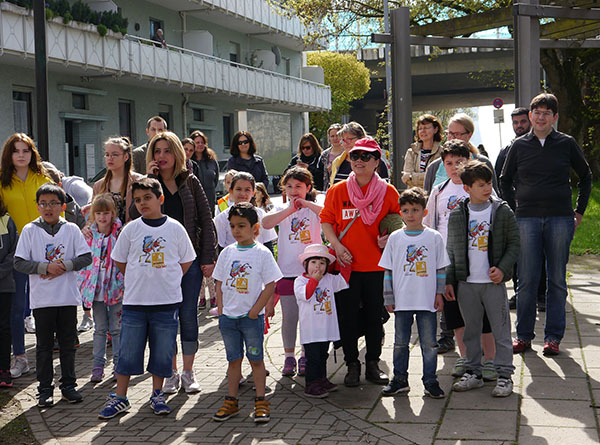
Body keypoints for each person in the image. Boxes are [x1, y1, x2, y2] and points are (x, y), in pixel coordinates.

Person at [500, 93, 592, 356]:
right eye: (536, 113)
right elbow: (504, 180)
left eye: (546, 113)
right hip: (526, 219)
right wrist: (510, 207)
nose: (541, 117)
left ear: (554, 117)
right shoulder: (519, 146)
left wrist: (580, 212)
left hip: (560, 219)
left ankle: (553, 337)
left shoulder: (566, 143)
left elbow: (586, 177)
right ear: (530, 117)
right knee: (527, 280)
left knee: (557, 280)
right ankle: (524, 336)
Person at [98, 178, 196, 419]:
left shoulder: (175, 228)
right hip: (134, 303)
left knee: (162, 352)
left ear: (160, 199)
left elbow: (186, 260)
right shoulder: (131, 229)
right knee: (128, 352)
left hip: (166, 303)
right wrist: (139, 277)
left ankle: (157, 393)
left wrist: (167, 278)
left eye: (148, 198)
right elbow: (120, 260)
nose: (142, 203)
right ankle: (120, 397)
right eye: (138, 200)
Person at [138, 131, 217, 395]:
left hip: (189, 260)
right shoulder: (148, 183)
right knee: (165, 319)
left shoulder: (190, 181)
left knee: (188, 316)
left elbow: (206, 221)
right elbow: (133, 215)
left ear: (177, 153)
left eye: (167, 151)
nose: (162, 156)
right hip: (159, 263)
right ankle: (169, 373)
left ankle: (188, 372)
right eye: (157, 151)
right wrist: (148, 180)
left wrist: (208, 258)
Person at [320, 137, 400, 387]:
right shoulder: (338, 190)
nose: (358, 161)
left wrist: (390, 239)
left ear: (377, 162)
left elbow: (399, 222)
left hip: (377, 267)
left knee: (375, 318)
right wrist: (337, 245)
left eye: (366, 156)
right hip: (346, 268)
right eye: (354, 156)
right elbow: (326, 222)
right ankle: (352, 364)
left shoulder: (388, 192)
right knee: (347, 318)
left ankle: (373, 364)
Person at [424, 140, 497, 380]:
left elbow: (496, 216)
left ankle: (489, 359)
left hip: (478, 261)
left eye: (459, 162)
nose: (454, 167)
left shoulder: (480, 188)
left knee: (482, 313)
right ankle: (466, 358)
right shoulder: (439, 191)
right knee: (455, 313)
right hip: (449, 262)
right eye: (448, 163)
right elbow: (430, 225)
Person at [14, 183, 92, 407]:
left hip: (67, 298)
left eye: (54, 203)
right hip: (42, 300)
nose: (48, 208)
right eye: (43, 204)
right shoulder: (30, 230)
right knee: (44, 347)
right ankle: (44, 389)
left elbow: (85, 257)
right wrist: (44, 268)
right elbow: (19, 262)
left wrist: (65, 265)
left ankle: (68, 385)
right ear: (38, 207)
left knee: (68, 345)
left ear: (63, 206)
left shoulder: (71, 230)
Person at [447, 161, 519, 397]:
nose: (487, 188)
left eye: (489, 183)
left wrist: (503, 269)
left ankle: (505, 375)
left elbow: (514, 245)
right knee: (471, 331)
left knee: (501, 331)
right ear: (467, 188)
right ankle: (474, 373)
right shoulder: (458, 214)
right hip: (466, 284)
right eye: (481, 185)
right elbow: (450, 250)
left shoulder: (502, 211)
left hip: (493, 285)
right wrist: (448, 280)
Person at [212, 202, 282, 423]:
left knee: (256, 359)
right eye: (232, 226)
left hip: (251, 320)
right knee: (234, 360)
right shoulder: (227, 253)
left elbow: (270, 285)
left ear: (255, 228)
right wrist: (222, 311)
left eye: (241, 225)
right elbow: (219, 282)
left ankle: (261, 401)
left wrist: (255, 311)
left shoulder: (261, 253)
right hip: (229, 320)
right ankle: (231, 401)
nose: (236, 231)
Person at [379, 187, 448, 399]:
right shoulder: (395, 238)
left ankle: (430, 380)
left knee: (429, 344)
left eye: (415, 210)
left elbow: (440, 268)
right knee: (400, 343)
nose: (411, 214)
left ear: (424, 212)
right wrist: (388, 297)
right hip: (402, 302)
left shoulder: (434, 237)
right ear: (400, 212)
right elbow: (388, 270)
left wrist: (439, 293)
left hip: (427, 301)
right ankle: (399, 379)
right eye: (406, 210)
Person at [0, 133, 52, 379]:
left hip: (45, 250)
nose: (21, 155)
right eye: (16, 150)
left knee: (46, 305)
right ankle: (20, 357)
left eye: (26, 150)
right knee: (17, 308)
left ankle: (47, 355)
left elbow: (56, 211)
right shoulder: (2, 182)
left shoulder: (43, 178)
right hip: (16, 254)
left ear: (33, 153)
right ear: (9, 155)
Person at [262, 167, 323, 377]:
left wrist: (306, 205)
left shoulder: (315, 208)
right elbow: (265, 223)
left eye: (299, 186)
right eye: (289, 186)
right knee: (289, 317)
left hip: (310, 272)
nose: (294, 190)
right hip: (287, 271)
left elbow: (327, 216)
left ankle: (305, 354)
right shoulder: (281, 209)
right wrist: (290, 209)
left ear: (308, 187)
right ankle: (289, 356)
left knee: (308, 316)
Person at [77, 194, 124, 383]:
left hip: (115, 289)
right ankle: (97, 365)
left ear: (113, 214)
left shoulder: (120, 233)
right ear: (93, 215)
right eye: (98, 213)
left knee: (117, 329)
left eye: (106, 213)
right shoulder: (89, 235)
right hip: (95, 290)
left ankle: (119, 366)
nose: (102, 217)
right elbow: (83, 261)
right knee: (99, 329)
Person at [294, 244, 348, 397]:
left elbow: (344, 279)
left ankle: (322, 380)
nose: (318, 267)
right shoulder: (300, 281)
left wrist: (343, 261)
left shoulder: (329, 279)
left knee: (323, 355)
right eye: (313, 263)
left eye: (322, 263)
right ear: (305, 264)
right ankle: (311, 384)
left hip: (326, 328)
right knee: (313, 358)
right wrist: (315, 280)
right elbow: (307, 294)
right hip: (311, 329)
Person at [494, 107, 533, 311]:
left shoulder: (541, 147)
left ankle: (542, 294)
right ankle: (518, 293)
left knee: (540, 254)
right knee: (516, 254)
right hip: (515, 212)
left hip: (540, 209)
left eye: (523, 122)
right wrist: (509, 203)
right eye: (516, 123)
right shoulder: (506, 151)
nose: (519, 126)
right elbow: (500, 181)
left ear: (531, 121)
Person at [423, 113, 497, 194]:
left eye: (457, 134)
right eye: (449, 133)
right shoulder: (434, 167)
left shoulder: (483, 163)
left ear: (469, 135)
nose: (452, 138)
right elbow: (427, 200)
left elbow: (494, 198)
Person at [213, 172, 277, 252]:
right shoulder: (221, 218)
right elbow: (219, 248)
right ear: (231, 191)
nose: (243, 194)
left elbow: (268, 244)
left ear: (253, 192)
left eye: (247, 190)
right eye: (238, 189)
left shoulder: (261, 215)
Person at [91, 137, 143, 224]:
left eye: (115, 155)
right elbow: (93, 215)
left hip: (132, 232)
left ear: (126, 157)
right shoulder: (99, 185)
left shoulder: (139, 181)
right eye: (107, 154)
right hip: (107, 235)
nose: (110, 158)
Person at [329, 122, 388, 187]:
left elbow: (384, 188)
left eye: (349, 139)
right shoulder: (337, 162)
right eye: (343, 140)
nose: (346, 143)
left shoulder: (375, 161)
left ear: (362, 138)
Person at [0, 198, 18, 388]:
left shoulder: (6, 220)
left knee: (4, 328)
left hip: (4, 285)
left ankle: (4, 369)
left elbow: (13, 252)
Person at [401, 114, 443, 188]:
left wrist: (412, 177)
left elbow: (438, 178)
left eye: (426, 128)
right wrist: (427, 176)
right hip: (414, 197)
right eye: (420, 128)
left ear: (435, 129)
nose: (423, 131)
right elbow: (405, 179)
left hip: (433, 196)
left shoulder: (442, 153)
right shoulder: (411, 152)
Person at [190, 130, 219, 217]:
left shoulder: (212, 160)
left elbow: (215, 180)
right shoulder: (189, 162)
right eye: (197, 142)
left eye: (202, 142)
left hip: (209, 199)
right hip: (194, 200)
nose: (200, 145)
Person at [317, 123, 343, 192]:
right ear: (329, 138)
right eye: (332, 136)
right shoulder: (324, 155)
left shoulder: (348, 153)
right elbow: (319, 175)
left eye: (337, 135)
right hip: (329, 191)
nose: (335, 138)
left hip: (344, 189)